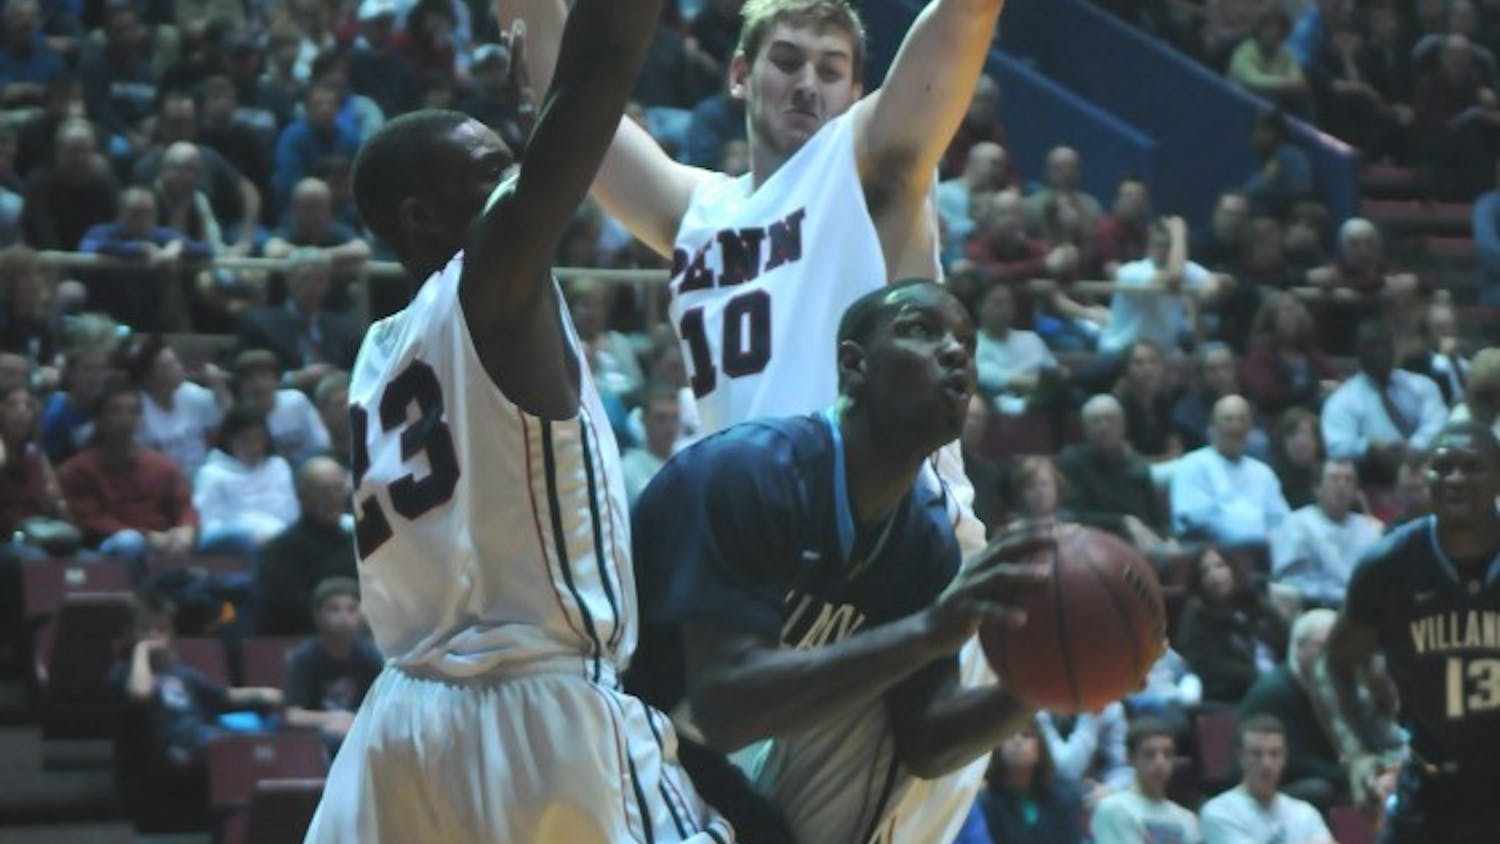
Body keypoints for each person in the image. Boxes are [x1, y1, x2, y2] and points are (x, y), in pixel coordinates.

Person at [521, 0, 1019, 838]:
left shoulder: (868, 163)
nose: (807, 85)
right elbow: (577, 105)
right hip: (760, 562)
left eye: (831, 70)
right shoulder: (696, 209)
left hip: (890, 548)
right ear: (740, 75)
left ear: (861, 89)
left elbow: (960, 31)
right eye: (787, 61)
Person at [303, 0, 733, 839]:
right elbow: (599, 78)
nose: (516, 181)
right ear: (424, 219)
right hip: (539, 712)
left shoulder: (380, 351)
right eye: (490, 171)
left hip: (403, 721)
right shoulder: (488, 290)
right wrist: (565, 84)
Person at [632, 281, 1047, 843]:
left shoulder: (925, 542)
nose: (955, 352)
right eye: (921, 331)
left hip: (693, 758)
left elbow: (925, 740)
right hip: (606, 728)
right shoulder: (753, 473)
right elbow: (724, 707)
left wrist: (1043, 686)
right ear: (854, 365)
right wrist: (928, 632)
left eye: (967, 345)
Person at [1325, 421, 1500, 843]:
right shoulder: (1389, 565)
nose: (1455, 479)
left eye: (1472, 467)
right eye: (1443, 467)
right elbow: (1336, 663)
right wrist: (1359, 754)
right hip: (1432, 783)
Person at [1238, 609, 1347, 808]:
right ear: (1299, 648)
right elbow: (1290, 760)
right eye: (1322, 646)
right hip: (1270, 781)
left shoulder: (1333, 687)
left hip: (1317, 772)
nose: (1331, 654)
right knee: (1322, 790)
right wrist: (1345, 774)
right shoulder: (1274, 692)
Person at [1322, 319, 1447, 482]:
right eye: (1372, 345)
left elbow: (1439, 424)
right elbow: (1336, 447)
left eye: (1385, 344)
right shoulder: (1343, 399)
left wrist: (1413, 448)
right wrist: (1369, 448)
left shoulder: (1423, 386)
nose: (1380, 351)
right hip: (1371, 480)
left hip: (1424, 471)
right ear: (1359, 351)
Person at [1170, 394, 1291, 548]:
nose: (1236, 426)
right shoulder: (1192, 464)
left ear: (1250, 429)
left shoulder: (1263, 472)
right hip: (1216, 554)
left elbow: (1281, 521)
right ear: (1212, 427)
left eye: (1242, 419)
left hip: (1265, 554)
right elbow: (1194, 522)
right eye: (1229, 419)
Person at [254, 457, 356, 636]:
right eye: (324, 491)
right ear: (302, 495)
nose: (333, 498)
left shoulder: (356, 544)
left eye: (338, 489)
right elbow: (284, 613)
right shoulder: (279, 552)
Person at [1174, 546, 1287, 705]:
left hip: (1277, 680)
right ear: (1199, 579)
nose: (1214, 575)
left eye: (1220, 566)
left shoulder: (1255, 603)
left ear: (1232, 568)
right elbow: (1209, 665)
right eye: (1206, 571)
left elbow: (1284, 641)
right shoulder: (1196, 615)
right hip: (1235, 692)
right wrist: (1257, 676)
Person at [283, 577, 383, 753]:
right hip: (317, 737)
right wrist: (333, 719)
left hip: (359, 728)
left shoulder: (371, 656)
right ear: (317, 616)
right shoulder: (303, 658)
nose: (344, 617)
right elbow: (293, 715)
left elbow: (381, 708)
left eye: (352, 609)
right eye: (334, 609)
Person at [1199, 715, 1335, 844]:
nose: (1266, 764)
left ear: (1284, 757)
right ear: (1241, 757)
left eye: (1274, 754)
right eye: (1256, 754)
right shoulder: (1219, 812)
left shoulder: (1306, 813)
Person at [1270, 459, 1384, 612]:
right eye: (1334, 479)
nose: (1342, 485)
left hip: (1362, 611)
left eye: (1349, 480)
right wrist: (1338, 596)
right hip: (1314, 608)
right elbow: (1290, 582)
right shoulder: (1297, 524)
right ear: (1317, 488)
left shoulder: (1369, 529)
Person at [1090, 718, 1201, 844]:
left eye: (1168, 754)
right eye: (1149, 754)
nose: (1160, 762)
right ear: (1130, 758)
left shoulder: (1187, 819)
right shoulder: (1114, 807)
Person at [976, 724, 1087, 844]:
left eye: (1026, 735)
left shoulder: (1065, 795)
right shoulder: (985, 802)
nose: (1017, 741)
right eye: (1009, 735)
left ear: (1040, 746)